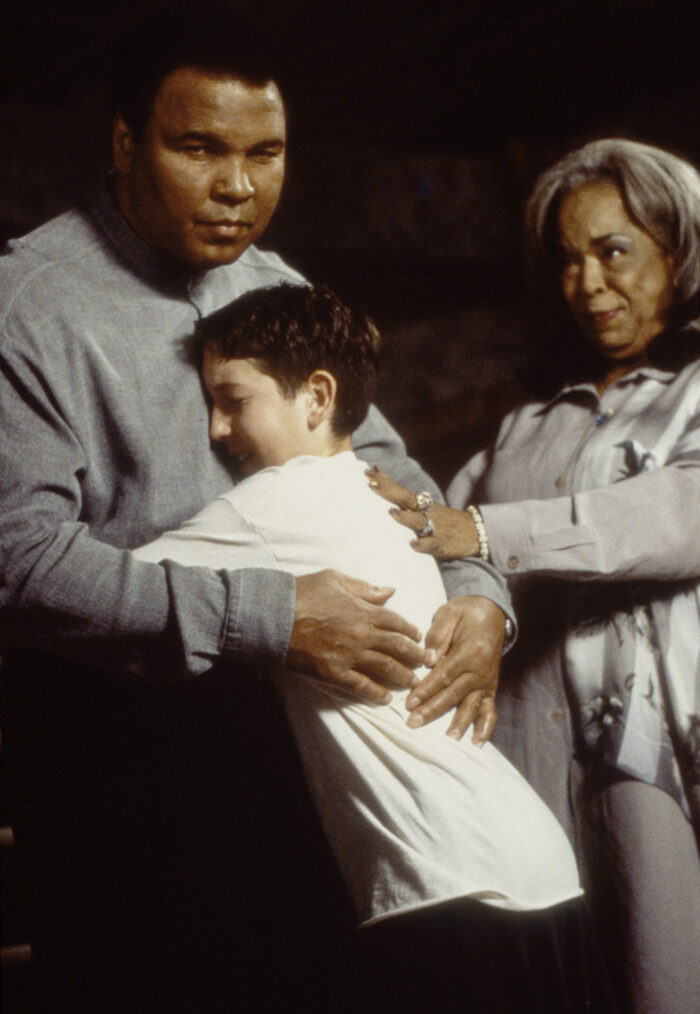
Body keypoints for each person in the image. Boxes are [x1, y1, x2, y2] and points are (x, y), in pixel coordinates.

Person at [0, 11, 510, 1010]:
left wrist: (478, 590)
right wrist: (273, 618)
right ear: (123, 142)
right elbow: (18, 562)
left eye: (264, 152)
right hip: (121, 780)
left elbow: (391, 468)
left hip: (302, 769)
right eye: (200, 149)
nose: (239, 186)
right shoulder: (27, 306)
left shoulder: (276, 285)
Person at [369, 138, 700, 1014]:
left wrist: (480, 530)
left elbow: (690, 509)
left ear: (679, 249)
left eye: (612, 251)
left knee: (675, 976)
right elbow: (436, 544)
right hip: (522, 761)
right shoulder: (528, 426)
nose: (586, 285)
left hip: (661, 778)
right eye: (567, 261)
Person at [134, 282, 588, 1012]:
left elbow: (93, 590)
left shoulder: (273, 501)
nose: (217, 429)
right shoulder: (382, 491)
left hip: (444, 876)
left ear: (316, 397)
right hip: (533, 861)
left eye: (234, 399)